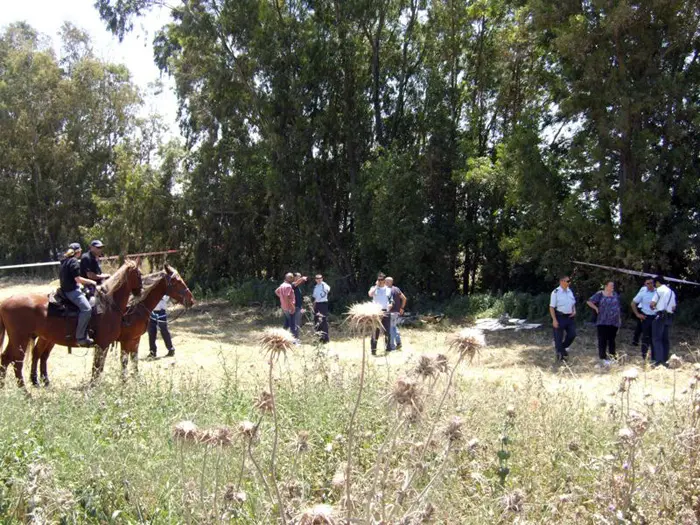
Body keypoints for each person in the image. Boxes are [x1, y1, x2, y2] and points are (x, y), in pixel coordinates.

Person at [59, 243, 97, 346]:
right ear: (79, 252)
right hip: (71, 291)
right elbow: (78, 279)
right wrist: (92, 282)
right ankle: (81, 337)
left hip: (65, 289)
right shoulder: (74, 262)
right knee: (87, 309)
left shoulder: (64, 261)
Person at [586, 281, 622, 366]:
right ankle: (603, 357)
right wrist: (596, 308)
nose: (613, 287)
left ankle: (613, 357)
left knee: (612, 340)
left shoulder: (615, 294)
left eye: (613, 285)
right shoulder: (600, 294)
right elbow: (589, 301)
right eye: (611, 285)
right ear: (606, 286)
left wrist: (619, 319)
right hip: (602, 320)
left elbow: (618, 307)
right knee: (602, 340)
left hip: (614, 321)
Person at [650, 276, 676, 367]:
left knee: (657, 339)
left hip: (660, 315)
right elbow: (673, 308)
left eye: (654, 284)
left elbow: (652, 303)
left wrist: (654, 308)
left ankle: (659, 361)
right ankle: (665, 360)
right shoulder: (672, 292)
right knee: (665, 339)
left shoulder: (659, 290)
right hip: (668, 317)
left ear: (657, 283)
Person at [549, 275, 577, 362]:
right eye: (567, 281)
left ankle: (562, 348)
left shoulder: (570, 291)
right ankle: (561, 357)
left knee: (572, 334)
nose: (569, 283)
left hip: (569, 317)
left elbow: (573, 303)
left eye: (569, 281)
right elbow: (551, 307)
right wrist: (554, 320)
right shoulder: (555, 292)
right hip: (559, 317)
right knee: (558, 338)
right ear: (562, 282)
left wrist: (574, 310)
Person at [630, 279, 656, 361]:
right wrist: (637, 314)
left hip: (656, 318)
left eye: (651, 283)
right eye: (648, 283)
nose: (650, 285)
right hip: (646, 317)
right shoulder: (643, 292)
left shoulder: (658, 292)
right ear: (645, 284)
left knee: (655, 338)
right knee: (646, 337)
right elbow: (633, 303)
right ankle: (644, 356)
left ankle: (654, 357)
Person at [368, 272, 392, 355]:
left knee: (387, 331)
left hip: (386, 311)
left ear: (384, 280)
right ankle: (373, 350)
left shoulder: (388, 289)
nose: (380, 281)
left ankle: (388, 348)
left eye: (381, 279)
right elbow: (370, 294)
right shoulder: (374, 288)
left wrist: (390, 306)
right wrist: (376, 286)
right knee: (375, 331)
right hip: (376, 312)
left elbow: (391, 300)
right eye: (378, 279)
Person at [385, 277, 407, 351]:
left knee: (390, 329)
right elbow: (404, 298)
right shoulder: (396, 289)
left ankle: (392, 346)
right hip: (396, 312)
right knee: (394, 327)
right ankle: (398, 342)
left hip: (390, 312)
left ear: (390, 282)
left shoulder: (386, 290)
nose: (385, 283)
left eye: (386, 282)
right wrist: (402, 308)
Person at [275, 273, 298, 342]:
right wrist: (293, 307)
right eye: (292, 278)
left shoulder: (282, 285)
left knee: (287, 323)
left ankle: (280, 337)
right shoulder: (288, 286)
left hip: (284, 307)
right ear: (290, 278)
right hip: (289, 308)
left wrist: (281, 298)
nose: (293, 279)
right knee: (292, 324)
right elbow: (286, 297)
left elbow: (276, 291)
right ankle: (293, 341)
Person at [312, 274, 331, 343]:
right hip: (317, 304)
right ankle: (319, 338)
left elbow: (328, 290)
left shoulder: (324, 285)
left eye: (320, 278)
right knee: (317, 321)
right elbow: (315, 298)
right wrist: (313, 306)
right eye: (317, 278)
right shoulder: (315, 287)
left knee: (323, 321)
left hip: (323, 304)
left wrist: (324, 287)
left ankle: (326, 339)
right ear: (315, 279)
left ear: (322, 279)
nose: (319, 279)